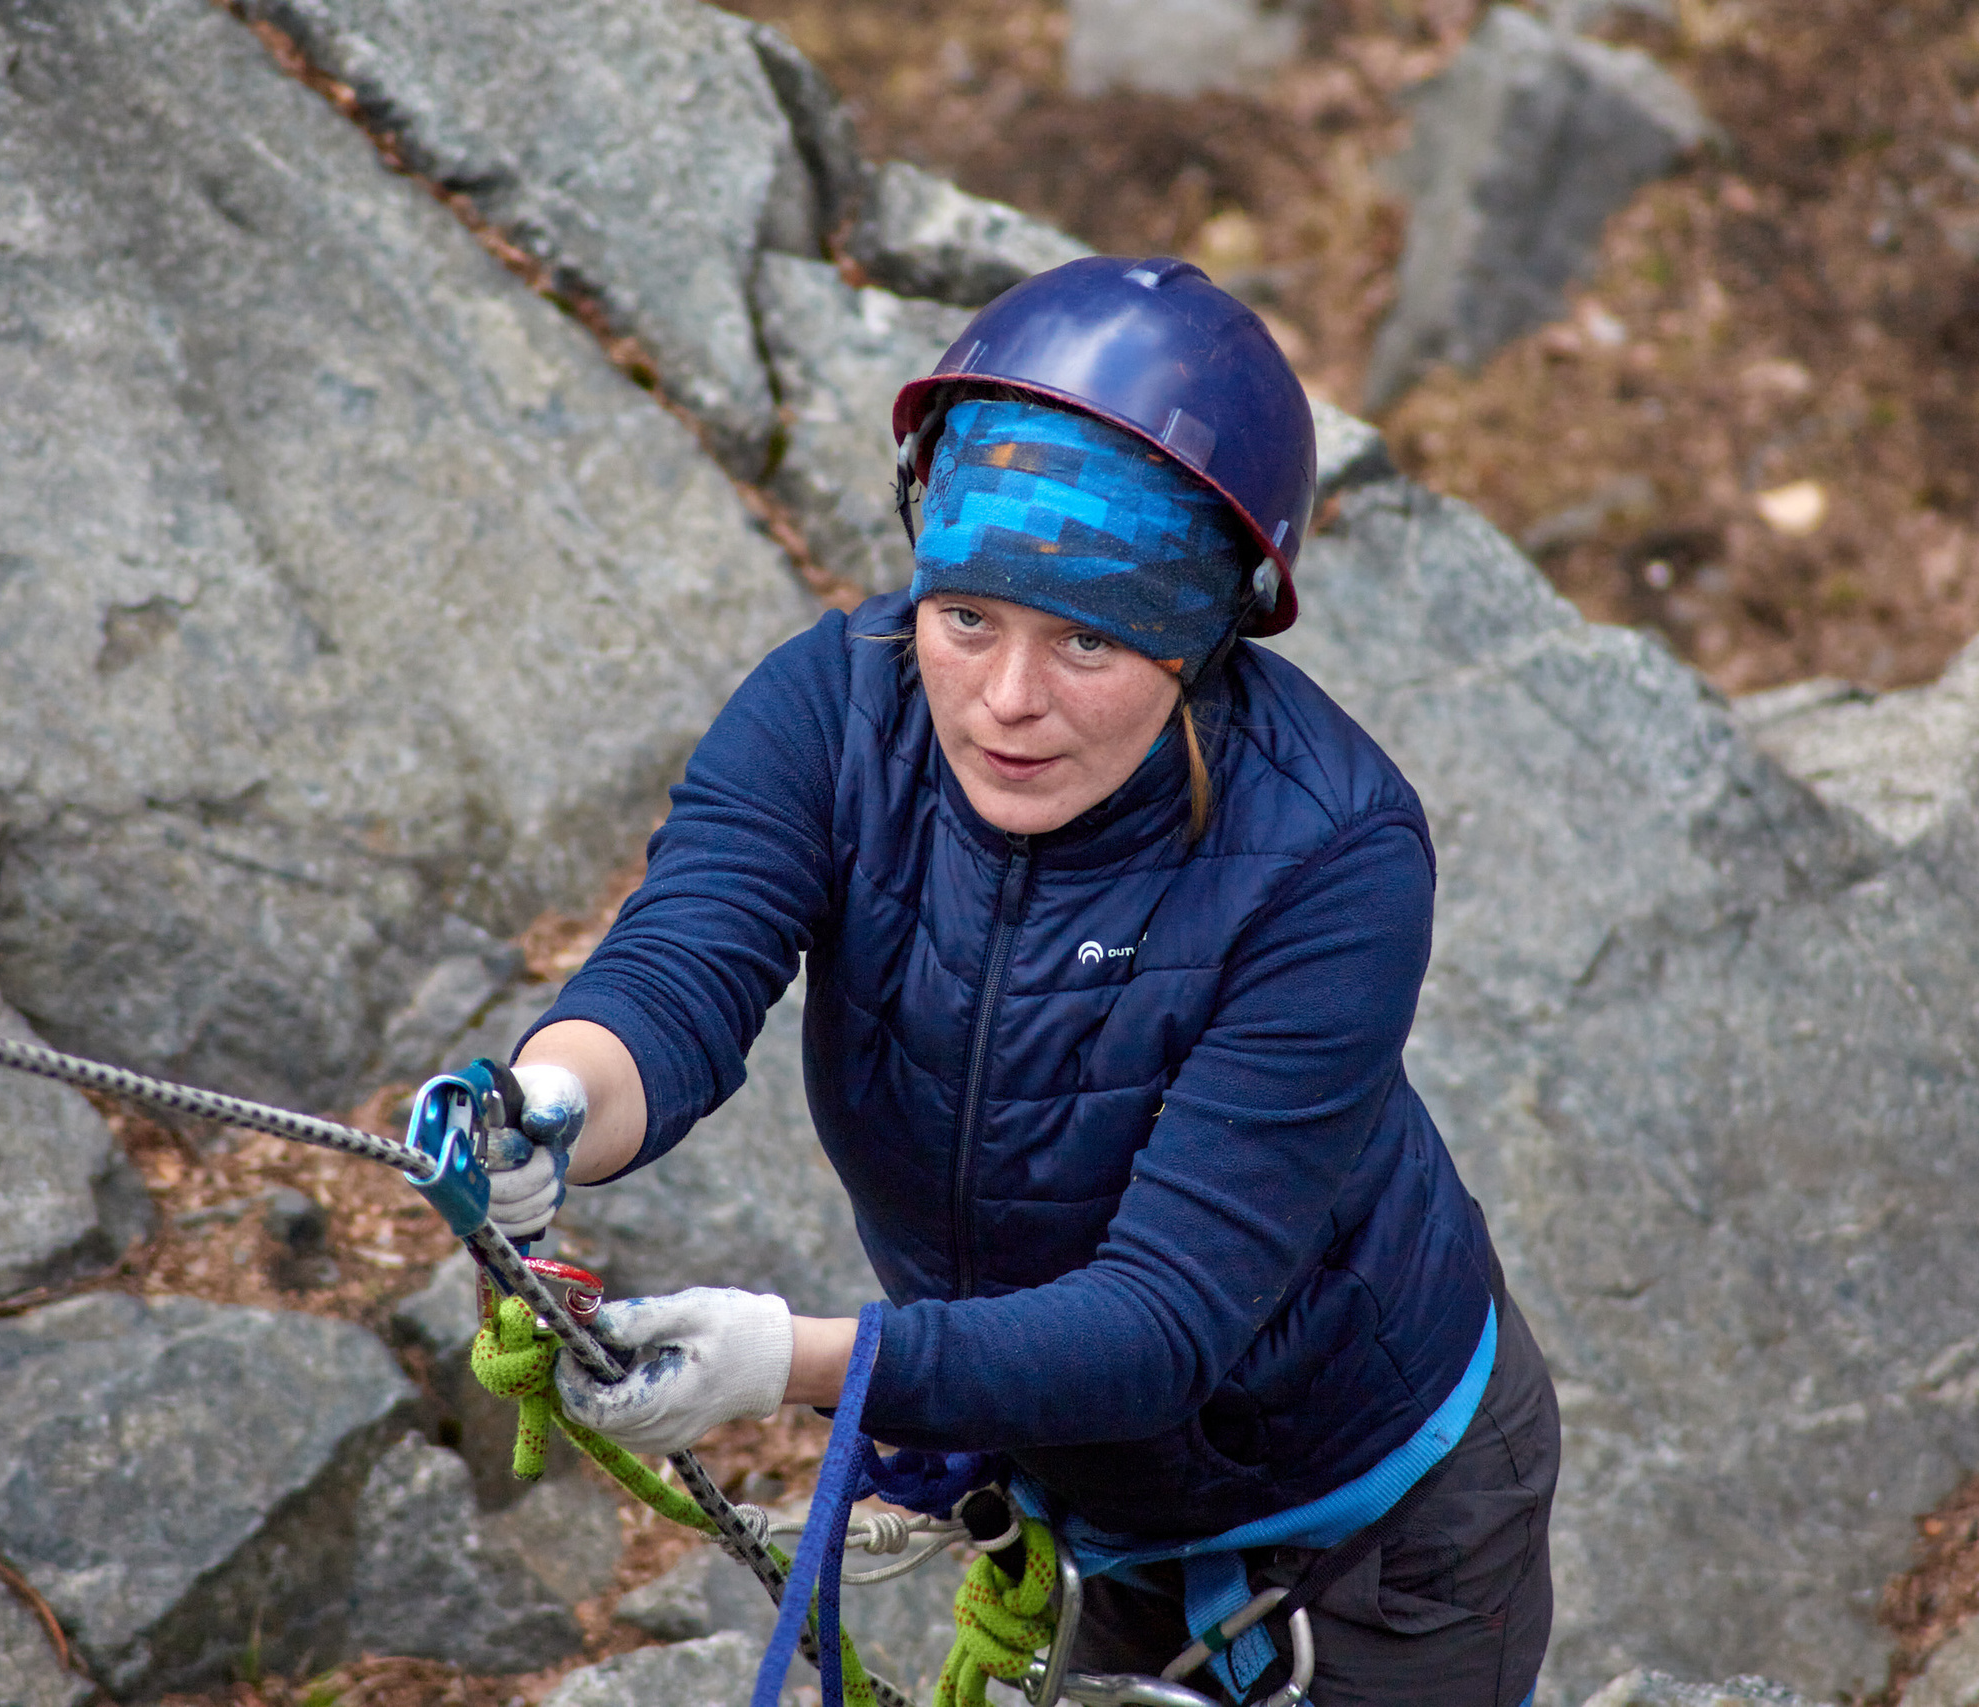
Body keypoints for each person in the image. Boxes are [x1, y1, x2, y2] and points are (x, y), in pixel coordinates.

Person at [487, 256, 1558, 1707]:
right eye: (970, 615)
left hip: (1378, 1527)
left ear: (1197, 640)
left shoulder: (1332, 857)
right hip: (1087, 1492)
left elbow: (1165, 1321)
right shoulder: (836, 704)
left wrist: (799, 1360)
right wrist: (552, 1101)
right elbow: (683, 966)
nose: (1006, 703)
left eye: (1092, 639)